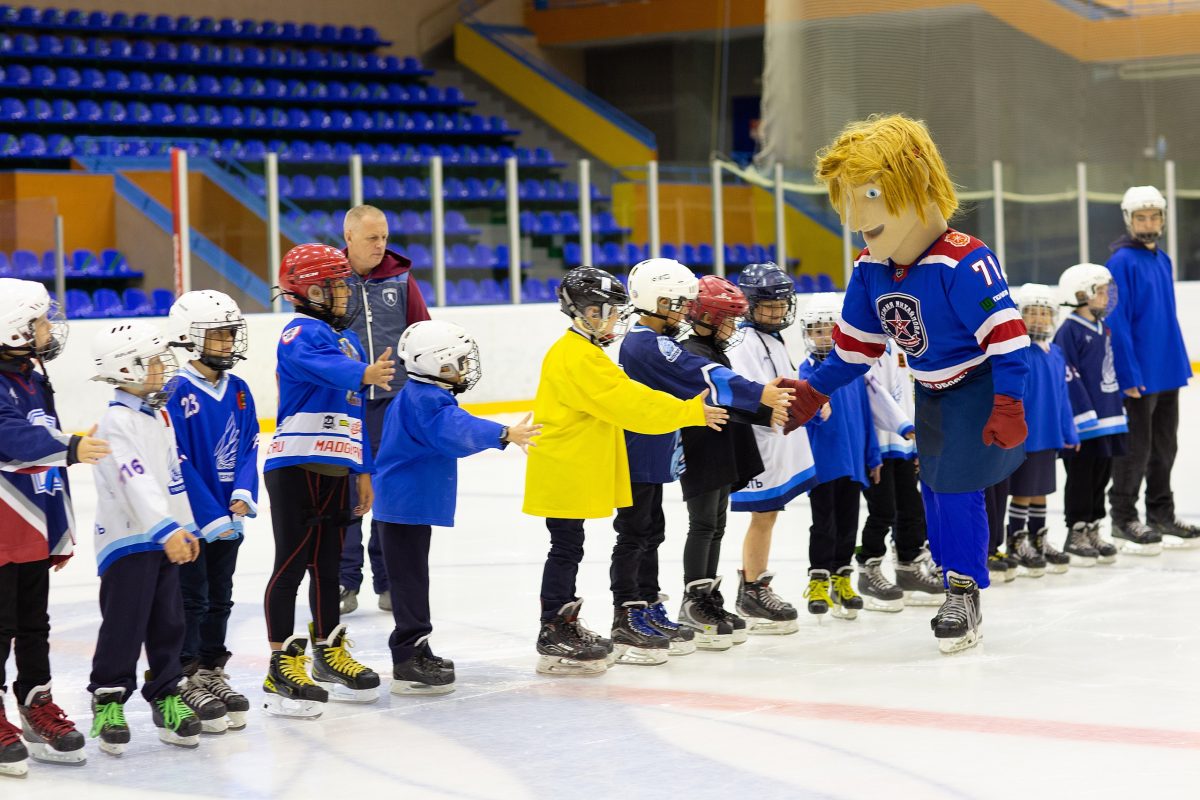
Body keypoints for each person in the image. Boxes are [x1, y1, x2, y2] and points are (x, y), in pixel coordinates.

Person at [788, 114, 1031, 654]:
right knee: (934, 488)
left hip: (978, 386)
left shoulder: (963, 261)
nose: (857, 217)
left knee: (959, 488)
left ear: (915, 182)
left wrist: (1009, 400)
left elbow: (1009, 339)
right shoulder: (872, 267)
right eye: (848, 198)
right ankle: (951, 573)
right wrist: (814, 389)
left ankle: (964, 590)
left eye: (870, 193)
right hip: (929, 390)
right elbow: (856, 348)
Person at [523, 266, 728, 675]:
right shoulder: (576, 356)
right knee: (565, 549)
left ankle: (563, 623)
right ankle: (554, 629)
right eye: (609, 312)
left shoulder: (584, 351)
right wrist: (688, 411)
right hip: (565, 469)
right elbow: (628, 401)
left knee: (570, 547)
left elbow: (627, 398)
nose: (616, 319)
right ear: (587, 312)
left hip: (571, 467)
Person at [613, 258, 792, 657]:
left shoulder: (655, 341)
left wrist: (759, 403)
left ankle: (650, 605)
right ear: (655, 301)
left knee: (652, 532)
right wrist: (758, 395)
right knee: (639, 534)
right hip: (647, 451)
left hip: (656, 452)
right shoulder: (645, 343)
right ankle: (633, 611)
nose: (683, 313)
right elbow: (700, 373)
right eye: (676, 305)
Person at [373, 320, 540, 695]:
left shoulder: (425, 394)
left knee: (412, 580)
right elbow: (453, 430)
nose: (463, 369)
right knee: (409, 582)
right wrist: (502, 433)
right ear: (435, 364)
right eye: (456, 363)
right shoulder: (426, 399)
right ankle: (407, 659)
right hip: (404, 507)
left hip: (406, 506)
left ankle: (416, 649)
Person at [262, 243, 393, 717]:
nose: (343, 295)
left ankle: (328, 650)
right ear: (311, 291)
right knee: (292, 564)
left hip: (338, 465)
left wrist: (362, 470)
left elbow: (355, 410)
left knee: (329, 564)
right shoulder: (298, 332)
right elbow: (325, 367)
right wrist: (363, 371)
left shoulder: (350, 341)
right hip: (295, 466)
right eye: (335, 287)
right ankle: (281, 661)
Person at [0, 280, 104, 776]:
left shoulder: (34, 376)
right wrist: (72, 446)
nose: (48, 328)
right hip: (2, 528)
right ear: (15, 329)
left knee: (34, 624)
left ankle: (36, 699)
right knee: (0, 626)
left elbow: (49, 454)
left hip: (35, 525)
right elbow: (15, 438)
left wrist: (59, 528)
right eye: (39, 320)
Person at [87, 321, 206, 756]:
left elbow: (171, 478)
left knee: (168, 621)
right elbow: (134, 481)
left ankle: (167, 692)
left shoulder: (156, 415)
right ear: (128, 367)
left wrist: (186, 526)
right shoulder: (115, 421)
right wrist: (167, 528)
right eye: (154, 361)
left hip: (163, 538)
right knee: (125, 623)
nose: (162, 368)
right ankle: (107, 698)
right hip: (128, 540)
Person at [164, 290, 259, 732]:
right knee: (192, 598)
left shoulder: (239, 390)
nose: (227, 342)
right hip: (193, 522)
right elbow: (176, 457)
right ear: (188, 337)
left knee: (221, 597)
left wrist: (243, 491)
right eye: (218, 335)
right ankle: (185, 672)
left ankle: (211, 669)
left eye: (230, 334)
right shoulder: (175, 391)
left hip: (229, 515)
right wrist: (209, 516)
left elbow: (249, 444)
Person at [339, 204, 432, 616]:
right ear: (349, 239)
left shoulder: (401, 279)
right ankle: (344, 581)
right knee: (346, 496)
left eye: (385, 237)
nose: (381, 246)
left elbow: (423, 336)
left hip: (395, 405)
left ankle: (388, 581)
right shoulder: (330, 281)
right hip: (348, 404)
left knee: (391, 493)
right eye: (372, 238)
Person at [678, 276, 775, 648]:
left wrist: (764, 415)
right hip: (702, 450)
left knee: (715, 525)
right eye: (728, 319)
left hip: (720, 450)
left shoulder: (714, 350)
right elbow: (722, 401)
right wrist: (763, 412)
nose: (733, 327)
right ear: (706, 316)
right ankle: (694, 600)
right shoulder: (692, 352)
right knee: (703, 525)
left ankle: (707, 597)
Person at [1104, 187, 1197, 550]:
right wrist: (1128, 374)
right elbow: (1117, 320)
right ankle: (1123, 516)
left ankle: (1161, 511)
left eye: (1154, 217)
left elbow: (1165, 316)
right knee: (1135, 450)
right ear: (1129, 220)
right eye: (1141, 218)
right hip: (1138, 375)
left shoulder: (1164, 260)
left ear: (1162, 219)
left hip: (1167, 368)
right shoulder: (1120, 263)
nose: (1148, 223)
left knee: (1166, 447)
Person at [726, 263, 815, 635]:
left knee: (770, 513)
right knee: (762, 514)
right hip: (758, 442)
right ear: (748, 303)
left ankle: (754, 583)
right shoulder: (743, 341)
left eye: (782, 305)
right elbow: (751, 391)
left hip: (775, 440)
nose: (778, 312)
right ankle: (751, 588)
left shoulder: (773, 337)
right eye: (769, 305)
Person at [796, 293, 881, 621]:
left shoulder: (853, 372)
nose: (822, 336)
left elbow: (866, 418)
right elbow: (800, 418)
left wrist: (872, 457)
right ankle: (818, 578)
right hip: (822, 464)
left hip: (852, 462)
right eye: (816, 330)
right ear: (807, 333)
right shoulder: (804, 373)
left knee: (848, 523)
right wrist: (815, 409)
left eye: (828, 329)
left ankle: (842, 578)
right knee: (824, 525)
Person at [856, 339, 942, 609]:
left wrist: (915, 443)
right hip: (875, 445)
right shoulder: (861, 348)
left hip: (903, 444)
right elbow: (874, 396)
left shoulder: (900, 347)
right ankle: (867, 571)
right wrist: (904, 427)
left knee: (912, 507)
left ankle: (908, 568)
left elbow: (907, 394)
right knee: (883, 510)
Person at [1002, 285, 1079, 576]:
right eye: (1031, 313)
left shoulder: (1056, 353)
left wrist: (1069, 431)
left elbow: (1062, 396)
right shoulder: (1020, 352)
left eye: (1044, 314)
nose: (1038, 320)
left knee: (1042, 491)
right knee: (1023, 491)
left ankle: (1038, 536)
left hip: (1049, 436)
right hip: (1026, 436)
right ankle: (1017, 538)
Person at [1055, 263, 1127, 565]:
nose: (1107, 296)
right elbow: (1068, 375)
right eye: (1101, 291)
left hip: (1108, 418)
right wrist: (1084, 413)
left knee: (1103, 473)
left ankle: (1095, 524)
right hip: (1084, 422)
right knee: (1082, 475)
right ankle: (1077, 529)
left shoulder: (1102, 327)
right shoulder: (1069, 330)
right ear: (1080, 293)